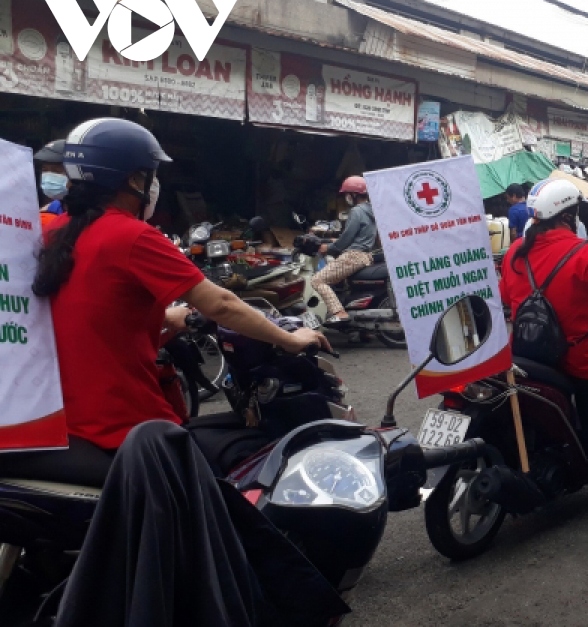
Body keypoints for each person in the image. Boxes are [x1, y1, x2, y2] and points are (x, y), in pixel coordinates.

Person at [0, 117, 341, 624]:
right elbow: (222, 303)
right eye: (151, 175)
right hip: (119, 424)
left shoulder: (59, 235)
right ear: (136, 180)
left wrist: (165, 322)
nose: (155, 185)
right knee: (215, 480)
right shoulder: (134, 236)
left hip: (58, 416)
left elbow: (96, 311)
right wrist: (291, 337)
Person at [500, 179, 588, 524]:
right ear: (569, 214)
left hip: (526, 354)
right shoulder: (583, 251)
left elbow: (504, 297)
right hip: (575, 356)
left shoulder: (516, 250)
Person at [313, 175, 377, 325]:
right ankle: (360, 330)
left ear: (353, 195)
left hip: (353, 256)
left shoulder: (356, 211)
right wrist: (335, 241)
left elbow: (346, 239)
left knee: (318, 280)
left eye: (347, 194)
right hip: (365, 256)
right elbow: (356, 235)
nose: (346, 198)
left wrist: (328, 248)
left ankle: (339, 313)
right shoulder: (371, 211)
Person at [35, 139, 69, 228]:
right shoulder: (49, 210)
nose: (49, 176)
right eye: (45, 170)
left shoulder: (93, 213)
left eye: (57, 170)